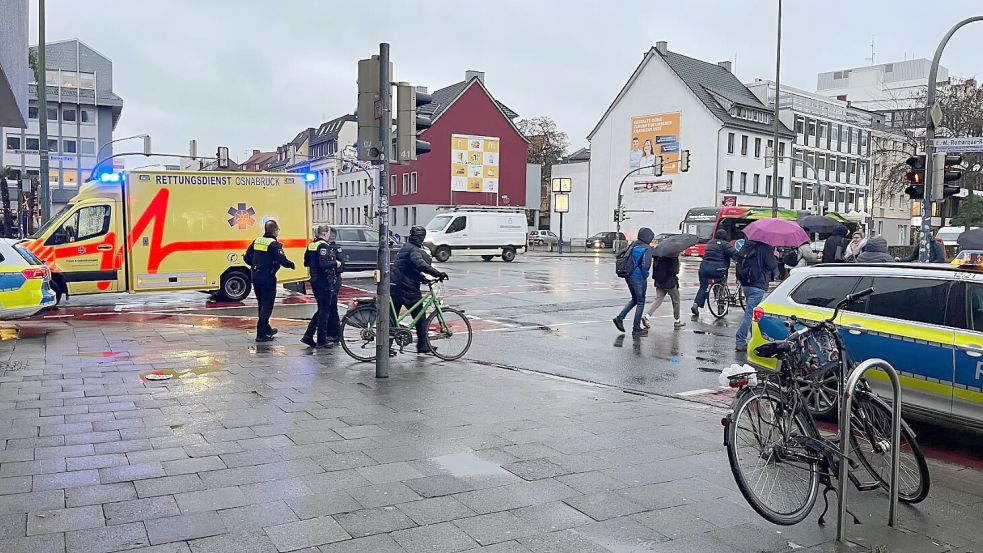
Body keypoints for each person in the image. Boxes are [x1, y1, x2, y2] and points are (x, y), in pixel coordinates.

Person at [391, 225, 447, 353]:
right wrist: (437, 273)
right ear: (421, 237)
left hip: (395, 285)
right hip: (407, 288)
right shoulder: (414, 249)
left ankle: (385, 348)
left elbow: (408, 268)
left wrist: (422, 278)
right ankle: (422, 346)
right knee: (420, 319)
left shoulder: (406, 247)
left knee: (391, 319)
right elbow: (419, 264)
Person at [243, 220, 295, 342]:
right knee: (267, 305)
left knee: (261, 303)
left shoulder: (257, 241)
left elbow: (246, 257)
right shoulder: (274, 244)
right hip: (267, 278)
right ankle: (261, 334)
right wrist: (291, 264)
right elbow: (282, 259)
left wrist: (256, 265)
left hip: (255, 276)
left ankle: (266, 329)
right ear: (275, 231)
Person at [301, 225, 343, 348]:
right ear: (325, 233)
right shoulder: (324, 246)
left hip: (314, 280)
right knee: (325, 311)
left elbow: (306, 262)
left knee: (322, 309)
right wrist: (335, 263)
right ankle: (321, 340)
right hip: (324, 281)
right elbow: (324, 264)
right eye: (329, 233)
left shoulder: (311, 245)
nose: (330, 235)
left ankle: (308, 336)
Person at [735, 239, 778, 352]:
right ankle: (740, 341)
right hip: (758, 284)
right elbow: (771, 265)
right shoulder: (765, 248)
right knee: (750, 314)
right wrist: (774, 256)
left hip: (745, 284)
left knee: (751, 312)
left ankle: (754, 338)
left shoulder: (746, 246)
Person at [613, 227, 656, 336]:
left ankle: (620, 318)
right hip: (638, 278)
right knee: (640, 302)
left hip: (628, 275)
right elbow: (645, 266)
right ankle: (636, 328)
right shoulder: (647, 248)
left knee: (635, 299)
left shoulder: (633, 244)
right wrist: (645, 276)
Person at [692, 229, 740, 316]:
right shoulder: (725, 244)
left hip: (704, 268)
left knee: (703, 287)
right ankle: (721, 308)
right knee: (720, 286)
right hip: (718, 269)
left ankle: (696, 304)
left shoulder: (709, 243)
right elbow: (734, 254)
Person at [642, 253, 685, 329]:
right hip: (670, 282)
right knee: (676, 301)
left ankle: (647, 316)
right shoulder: (673, 256)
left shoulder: (658, 256)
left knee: (658, 299)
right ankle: (677, 320)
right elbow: (675, 271)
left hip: (659, 281)